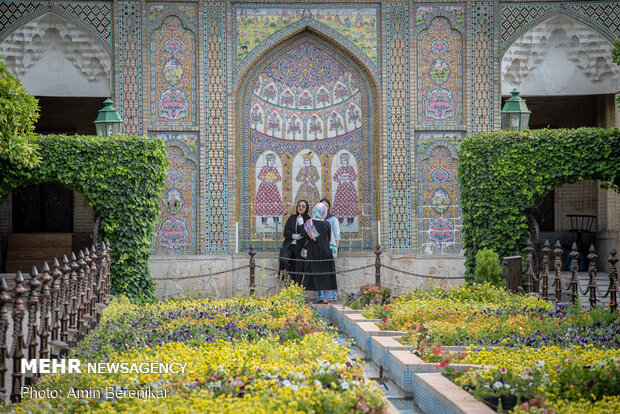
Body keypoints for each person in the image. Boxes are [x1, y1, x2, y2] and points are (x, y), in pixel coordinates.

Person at [298, 203, 338, 303]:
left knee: (308, 276)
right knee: (325, 275)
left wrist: (300, 222)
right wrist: (333, 252)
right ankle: (327, 298)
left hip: (313, 254)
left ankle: (300, 297)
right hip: (325, 254)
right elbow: (330, 239)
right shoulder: (327, 224)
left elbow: (302, 233)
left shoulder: (309, 223)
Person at [278, 200, 310, 281]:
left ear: (306, 208)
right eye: (299, 206)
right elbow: (286, 232)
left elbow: (305, 234)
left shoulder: (308, 220)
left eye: (303, 206)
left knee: (298, 268)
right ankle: (288, 275)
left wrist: (301, 222)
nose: (301, 208)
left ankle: (296, 287)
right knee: (283, 259)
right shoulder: (292, 218)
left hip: (301, 247)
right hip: (290, 244)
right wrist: (295, 236)